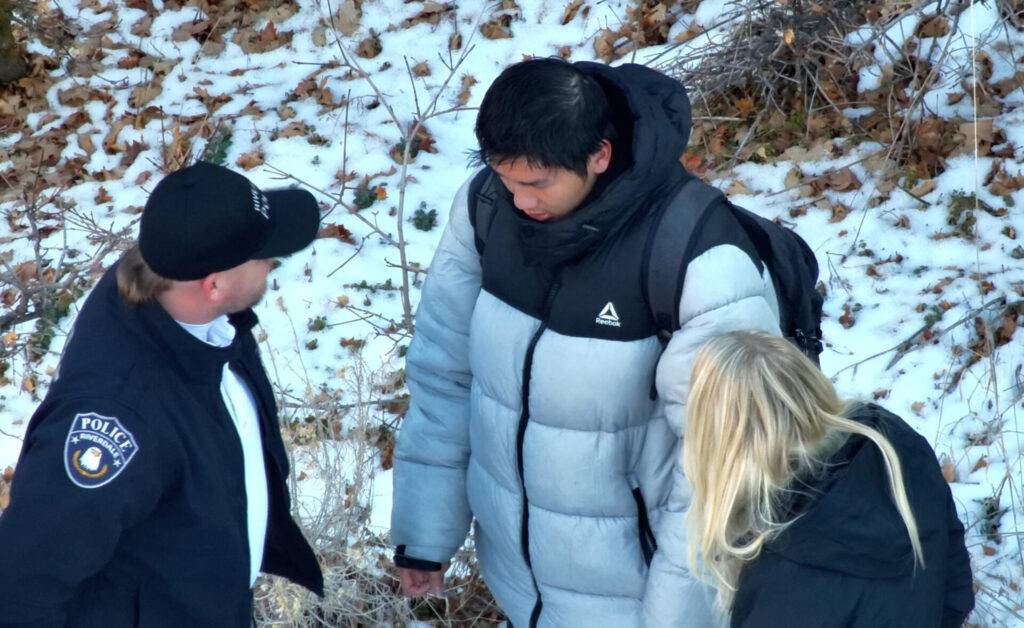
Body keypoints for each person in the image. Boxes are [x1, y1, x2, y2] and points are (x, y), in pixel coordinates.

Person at [391, 57, 784, 627]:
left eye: (537, 183)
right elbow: (444, 372)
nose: (519, 199)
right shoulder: (484, 210)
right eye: (506, 177)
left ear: (599, 155)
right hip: (522, 588)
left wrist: (676, 621)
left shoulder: (698, 255)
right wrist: (425, 533)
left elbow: (722, 474)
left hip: (639, 602)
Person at [0, 162, 324, 626]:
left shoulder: (187, 301)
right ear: (214, 284)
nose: (273, 263)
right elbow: (21, 586)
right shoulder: (118, 418)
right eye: (265, 255)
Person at [682, 330, 975, 627]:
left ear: (715, 444)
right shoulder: (897, 450)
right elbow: (956, 588)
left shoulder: (779, 583)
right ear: (809, 387)